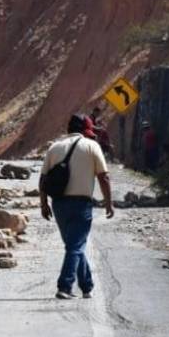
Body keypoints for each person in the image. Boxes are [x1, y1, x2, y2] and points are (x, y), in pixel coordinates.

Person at [39, 113, 114, 299]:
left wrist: (43, 204)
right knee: (75, 245)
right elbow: (103, 177)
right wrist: (108, 203)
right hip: (81, 204)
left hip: (59, 204)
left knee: (74, 245)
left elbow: (43, 180)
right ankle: (64, 286)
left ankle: (87, 285)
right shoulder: (91, 146)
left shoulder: (54, 147)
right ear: (85, 130)